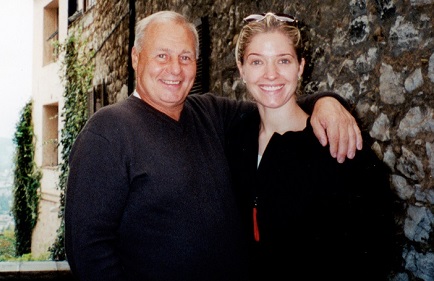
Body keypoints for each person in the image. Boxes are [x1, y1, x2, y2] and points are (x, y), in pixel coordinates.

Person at [64, 11, 363, 281]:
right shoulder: (108, 131)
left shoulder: (209, 113)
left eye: (185, 57)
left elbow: (272, 102)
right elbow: (88, 249)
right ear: (135, 58)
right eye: (161, 56)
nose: (175, 69)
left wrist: (326, 102)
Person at [227, 12, 397, 280]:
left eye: (283, 60)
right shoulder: (233, 140)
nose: (271, 75)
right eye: (257, 61)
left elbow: (374, 249)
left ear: (301, 66)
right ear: (242, 69)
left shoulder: (337, 143)